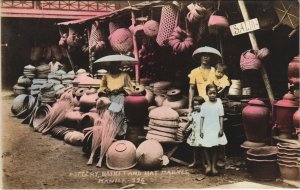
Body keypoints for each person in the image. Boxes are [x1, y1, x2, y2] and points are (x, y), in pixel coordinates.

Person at [98, 61, 133, 136]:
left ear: (119, 65)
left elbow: (130, 88)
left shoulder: (125, 75)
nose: (113, 66)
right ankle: (111, 133)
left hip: (120, 97)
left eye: (116, 64)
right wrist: (106, 90)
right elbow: (101, 87)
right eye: (112, 64)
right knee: (109, 115)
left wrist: (121, 89)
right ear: (110, 65)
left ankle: (120, 133)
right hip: (109, 97)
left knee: (118, 113)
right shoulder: (106, 75)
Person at [199, 84, 227, 176]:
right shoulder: (204, 105)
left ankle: (214, 166)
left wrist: (221, 128)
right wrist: (201, 129)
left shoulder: (219, 105)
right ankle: (209, 165)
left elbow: (221, 117)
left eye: (214, 93)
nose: (212, 95)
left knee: (215, 146)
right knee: (206, 147)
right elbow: (202, 118)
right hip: (207, 128)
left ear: (216, 94)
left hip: (215, 128)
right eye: (210, 93)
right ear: (207, 94)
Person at [188, 46, 222, 114]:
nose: (205, 57)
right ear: (200, 57)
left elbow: (220, 87)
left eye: (208, 56)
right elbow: (192, 89)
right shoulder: (194, 72)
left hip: (213, 102)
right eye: (203, 55)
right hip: (200, 102)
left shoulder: (215, 71)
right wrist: (190, 106)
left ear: (211, 58)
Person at [185, 96, 205, 168]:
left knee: (203, 148)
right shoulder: (194, 113)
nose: (197, 106)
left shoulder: (204, 113)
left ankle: (203, 162)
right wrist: (185, 129)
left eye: (199, 104)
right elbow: (189, 122)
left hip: (202, 134)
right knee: (195, 148)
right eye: (195, 105)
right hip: (194, 134)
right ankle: (195, 161)